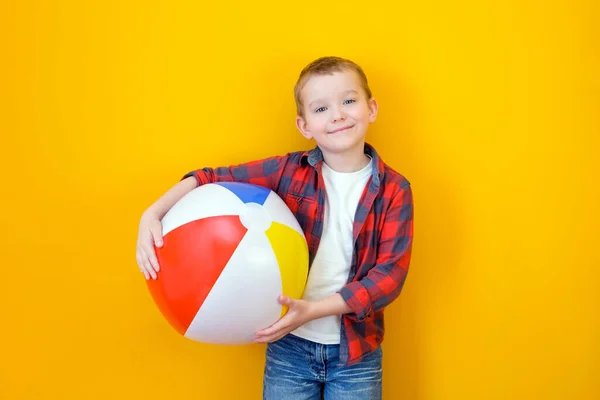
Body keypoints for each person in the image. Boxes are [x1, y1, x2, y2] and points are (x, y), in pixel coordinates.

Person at [135, 56, 414, 399]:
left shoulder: (394, 189)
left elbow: (388, 277)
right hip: (290, 350)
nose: (338, 114)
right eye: (321, 108)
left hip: (357, 353)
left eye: (349, 101)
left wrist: (314, 311)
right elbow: (209, 177)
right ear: (304, 125)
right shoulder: (288, 172)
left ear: (371, 109)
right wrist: (153, 212)